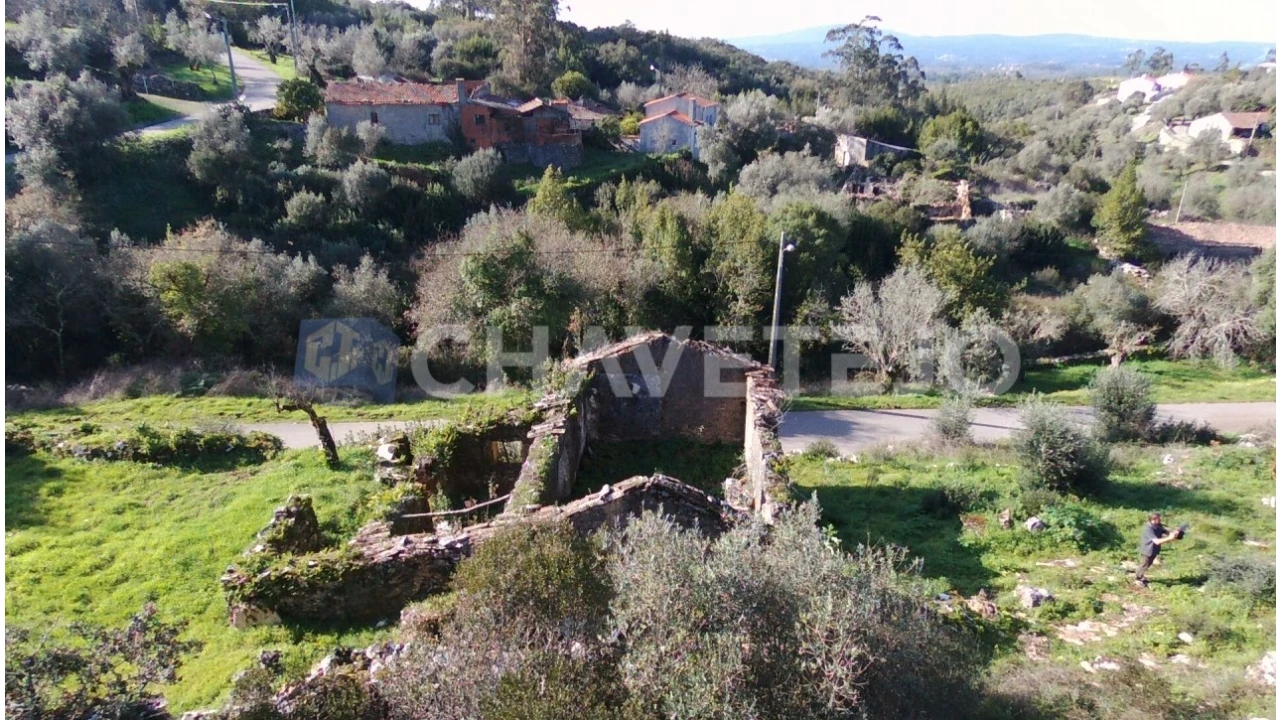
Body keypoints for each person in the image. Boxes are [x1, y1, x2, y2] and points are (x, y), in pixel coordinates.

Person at [1136, 512, 1181, 587]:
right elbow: (1156, 541)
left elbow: (1165, 531)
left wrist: (1174, 533)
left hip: (1154, 550)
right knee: (1144, 564)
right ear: (1152, 520)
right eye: (1158, 519)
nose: (1160, 520)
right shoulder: (1148, 529)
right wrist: (1169, 538)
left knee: (1148, 564)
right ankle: (1137, 578)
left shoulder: (1158, 525)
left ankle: (1141, 576)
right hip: (1147, 550)